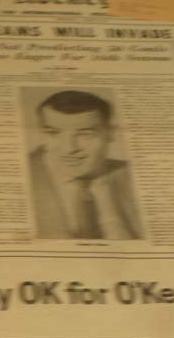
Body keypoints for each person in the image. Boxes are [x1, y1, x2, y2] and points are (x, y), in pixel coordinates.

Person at [28, 90, 142, 240]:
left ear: (110, 133)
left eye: (85, 134)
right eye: (53, 133)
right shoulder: (24, 174)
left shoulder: (134, 175)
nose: (69, 148)